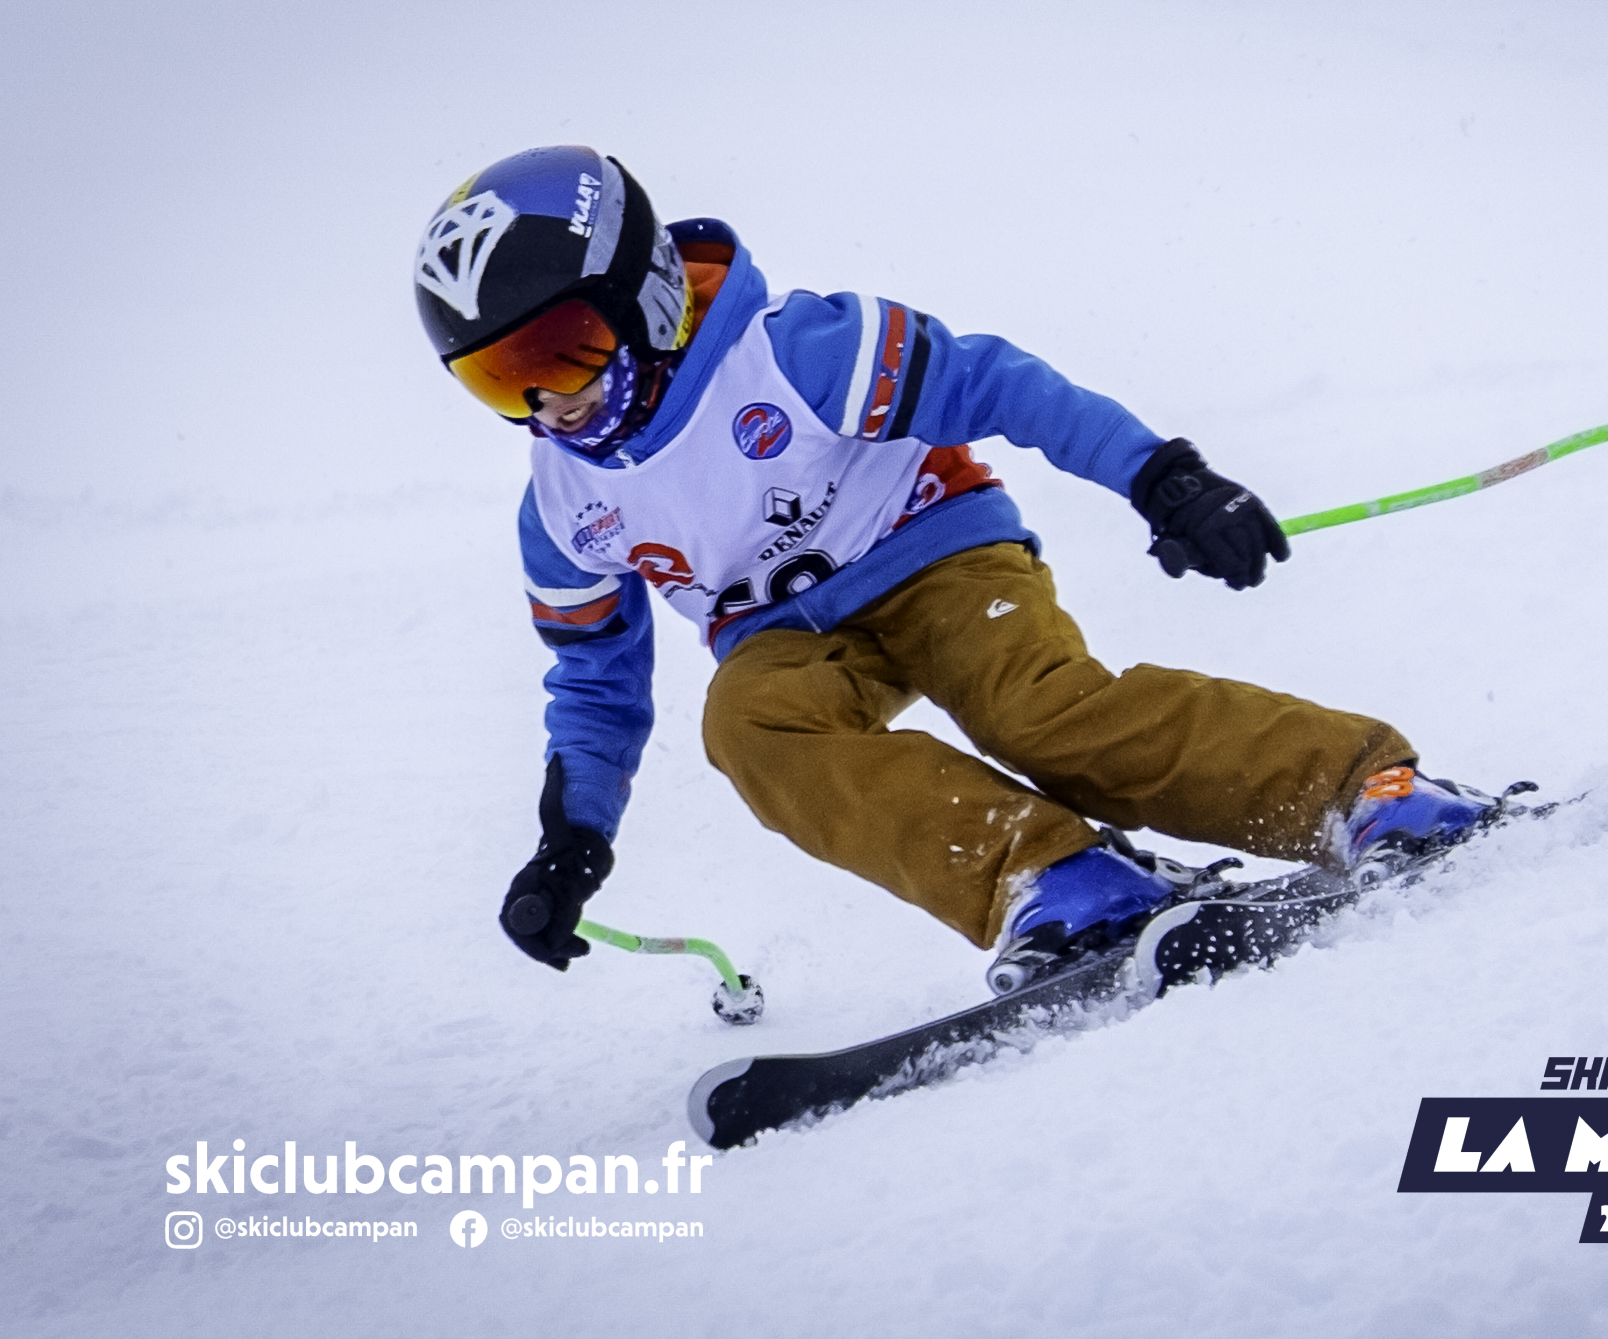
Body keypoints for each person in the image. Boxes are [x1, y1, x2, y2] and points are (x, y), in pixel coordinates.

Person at [413, 145, 1487, 993]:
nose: (547, 404)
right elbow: (595, 682)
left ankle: (1364, 789)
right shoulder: (563, 507)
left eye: (559, 353)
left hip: (935, 552)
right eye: (498, 379)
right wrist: (574, 837)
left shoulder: (793, 354)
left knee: (1037, 715)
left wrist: (1160, 476)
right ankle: (1055, 875)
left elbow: (996, 384)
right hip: (784, 639)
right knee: (747, 728)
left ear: (644, 294)